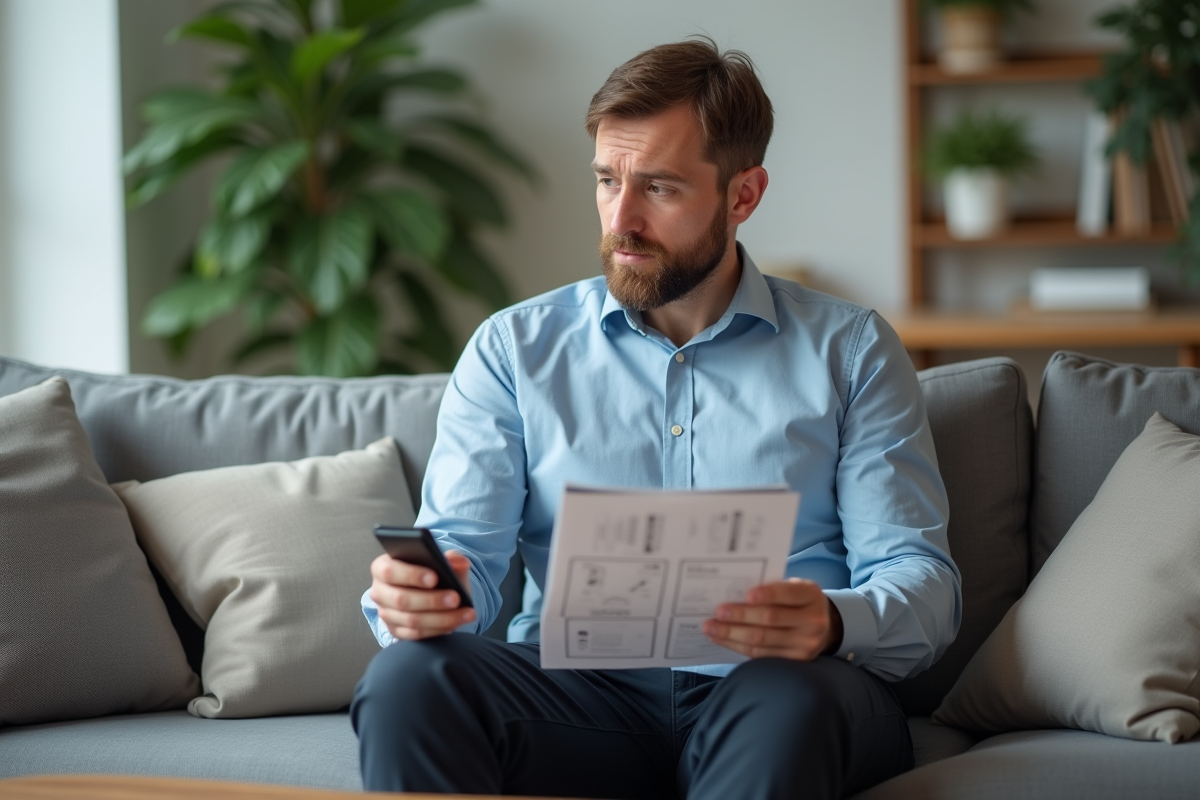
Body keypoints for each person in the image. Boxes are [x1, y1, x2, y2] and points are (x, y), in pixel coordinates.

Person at [351, 38, 961, 800]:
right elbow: (459, 558)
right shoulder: (514, 350)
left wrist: (835, 623)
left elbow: (924, 585)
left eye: (661, 188)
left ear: (743, 195)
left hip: (780, 692)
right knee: (410, 678)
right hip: (579, 698)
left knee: (791, 701)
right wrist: (422, 600)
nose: (622, 219)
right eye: (607, 180)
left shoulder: (852, 350)